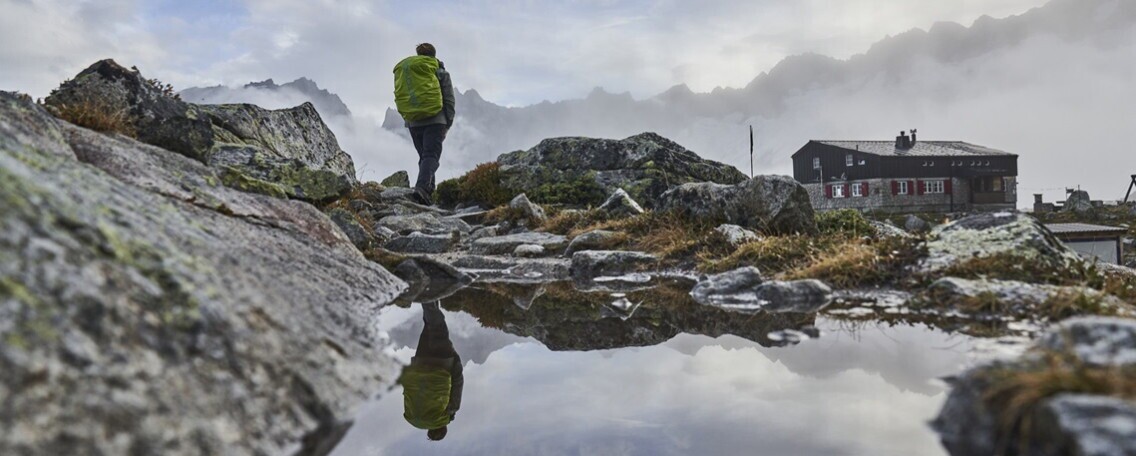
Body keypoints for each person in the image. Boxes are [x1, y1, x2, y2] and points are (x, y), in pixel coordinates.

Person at [393, 43, 455, 206]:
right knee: (431, 155)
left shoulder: (407, 71)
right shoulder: (440, 72)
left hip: (413, 122)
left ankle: (428, 192)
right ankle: (421, 189)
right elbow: (448, 98)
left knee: (424, 156)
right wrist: (448, 122)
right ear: (434, 55)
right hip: (436, 120)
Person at [399, 302, 463, 441]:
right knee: (430, 326)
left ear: (443, 427)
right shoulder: (412, 418)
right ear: (429, 429)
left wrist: (456, 361)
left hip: (441, 365)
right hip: (419, 365)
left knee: (437, 326)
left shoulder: (447, 415)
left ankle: (428, 292)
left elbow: (457, 384)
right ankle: (431, 292)